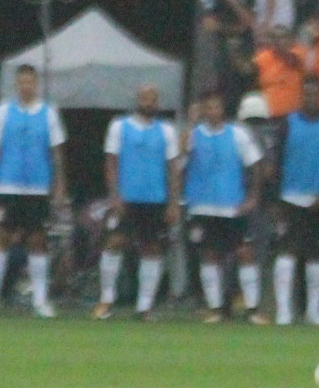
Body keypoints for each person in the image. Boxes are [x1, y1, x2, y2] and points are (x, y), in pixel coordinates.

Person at [0, 63, 67, 318]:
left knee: (38, 240)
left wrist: (59, 185)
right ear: (16, 84)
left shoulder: (49, 113)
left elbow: (56, 153)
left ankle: (40, 301)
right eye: (22, 82)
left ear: (36, 84)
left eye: (30, 82)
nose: (26, 86)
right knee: (0, 238)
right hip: (8, 185)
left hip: (38, 187)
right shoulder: (3, 111)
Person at [93, 84, 181, 320]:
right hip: (127, 198)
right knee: (115, 243)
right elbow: (111, 163)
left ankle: (144, 306)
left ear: (157, 102)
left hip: (155, 199)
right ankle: (106, 300)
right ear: (137, 100)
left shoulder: (166, 130)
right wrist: (114, 196)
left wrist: (173, 202)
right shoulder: (119, 126)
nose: (148, 102)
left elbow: (173, 168)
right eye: (144, 98)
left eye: (152, 99)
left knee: (152, 249)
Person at [184, 88, 268, 323]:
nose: (213, 111)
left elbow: (256, 164)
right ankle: (216, 309)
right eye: (208, 107)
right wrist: (190, 124)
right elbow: (178, 157)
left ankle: (252, 309)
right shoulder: (193, 134)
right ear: (202, 110)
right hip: (201, 205)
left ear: (223, 109)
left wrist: (253, 197)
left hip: (232, 206)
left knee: (244, 252)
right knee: (209, 255)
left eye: (217, 107)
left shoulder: (238, 134)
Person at [272, 74, 319, 324]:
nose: (312, 98)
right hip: (290, 197)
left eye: (316, 94)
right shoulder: (287, 124)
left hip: (317, 198)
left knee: (315, 255)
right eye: (308, 94)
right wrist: (275, 199)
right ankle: (283, 311)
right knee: (287, 252)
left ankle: (314, 311)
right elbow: (276, 163)